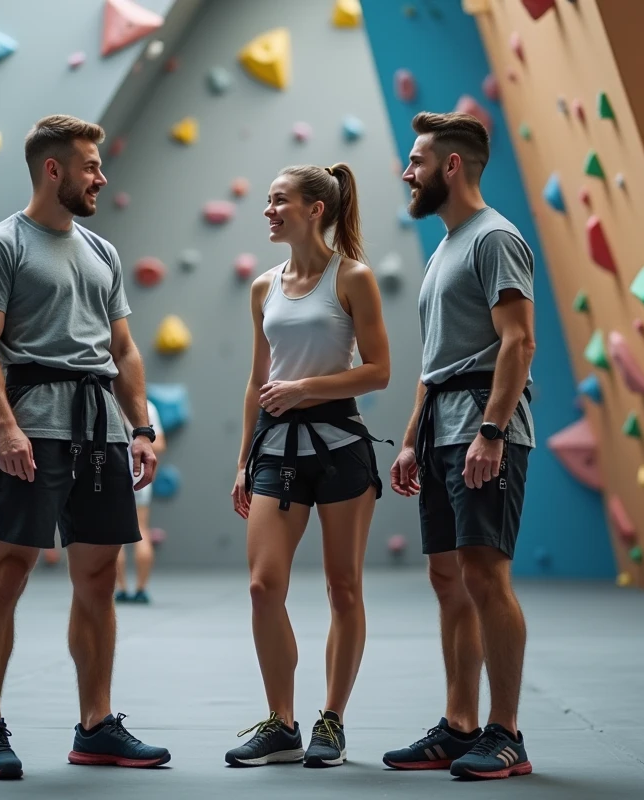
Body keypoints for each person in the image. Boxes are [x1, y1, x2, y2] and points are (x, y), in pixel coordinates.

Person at [0, 114, 168, 780]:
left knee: (100, 579)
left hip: (100, 427)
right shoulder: (0, 245)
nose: (100, 177)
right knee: (10, 571)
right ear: (54, 169)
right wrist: (3, 425)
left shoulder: (102, 252)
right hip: (31, 424)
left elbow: (125, 349)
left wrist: (139, 427)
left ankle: (96, 726)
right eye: (89, 166)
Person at [382, 111, 537, 781]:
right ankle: (459, 724)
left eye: (416, 160)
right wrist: (413, 437)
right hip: (443, 428)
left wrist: (493, 432)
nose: (405, 171)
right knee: (447, 578)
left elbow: (518, 342)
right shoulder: (447, 246)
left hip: (482, 429)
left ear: (451, 166)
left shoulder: (494, 237)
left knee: (483, 575)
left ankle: (506, 734)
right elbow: (435, 359)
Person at [226, 163, 392, 769]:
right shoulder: (262, 287)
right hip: (275, 451)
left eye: (280, 201)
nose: (269, 211)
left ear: (315, 209)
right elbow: (256, 381)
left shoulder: (354, 278)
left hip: (342, 446)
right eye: (268, 201)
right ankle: (281, 722)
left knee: (343, 588)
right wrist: (244, 460)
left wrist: (303, 390)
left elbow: (379, 370)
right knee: (263, 587)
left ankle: (331, 720)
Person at [115, 400, 165, 604]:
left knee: (114, 534)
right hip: (140, 475)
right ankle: (141, 589)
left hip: (113, 475)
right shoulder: (147, 406)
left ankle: (121, 589)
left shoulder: (107, 400)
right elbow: (160, 444)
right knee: (142, 530)